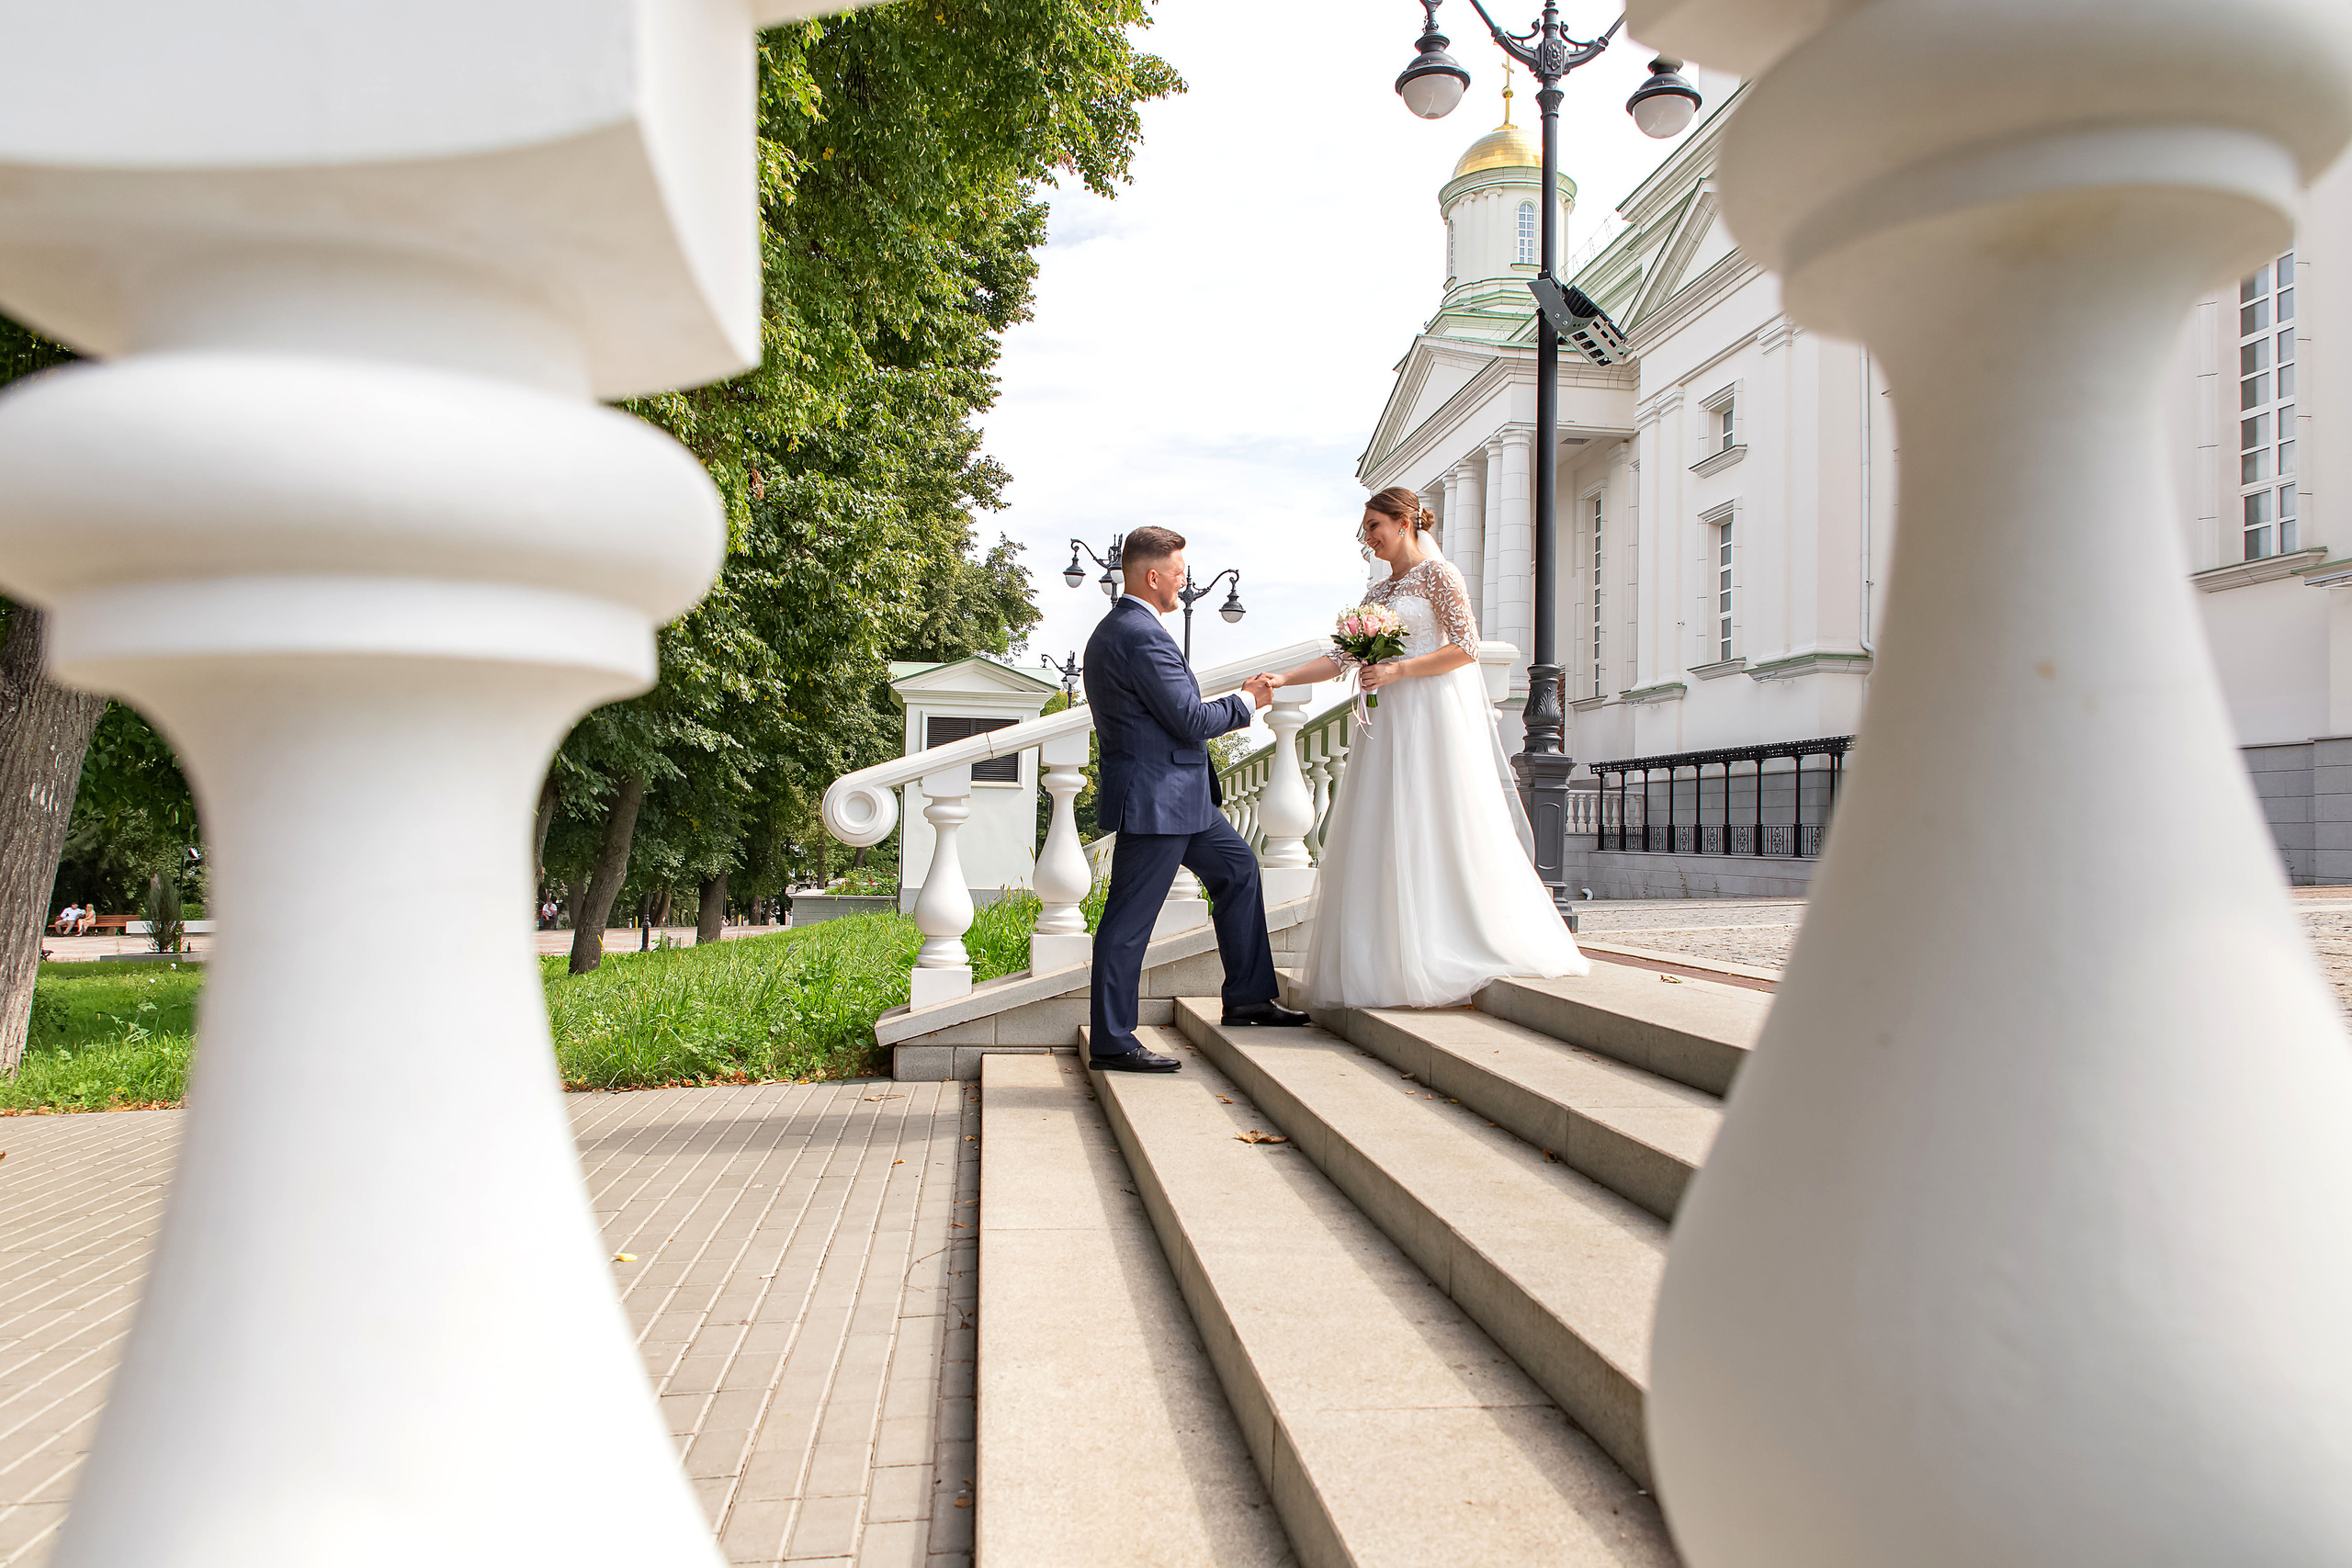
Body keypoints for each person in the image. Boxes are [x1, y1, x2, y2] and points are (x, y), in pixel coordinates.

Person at [1254, 486, 1589, 1010]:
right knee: (1383, 823)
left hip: (1429, 714)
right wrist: (1285, 677)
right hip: (1386, 723)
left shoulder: (1439, 576)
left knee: (1435, 815)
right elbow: (1342, 655)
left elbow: (1465, 648)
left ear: (1404, 522)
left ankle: (1449, 938)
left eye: (1374, 525)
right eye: (1365, 528)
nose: (1368, 537)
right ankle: (1387, 953)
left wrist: (1399, 670)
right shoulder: (1378, 593)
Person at [1084, 525, 1309, 1071]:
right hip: (1156, 800)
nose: (1184, 582)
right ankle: (1113, 1041)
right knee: (1128, 922)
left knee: (1239, 871)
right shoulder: (1140, 634)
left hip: (1180, 799)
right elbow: (1188, 718)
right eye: (1179, 573)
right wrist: (1247, 701)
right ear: (1152, 576)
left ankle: (1249, 997)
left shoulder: (1125, 629)